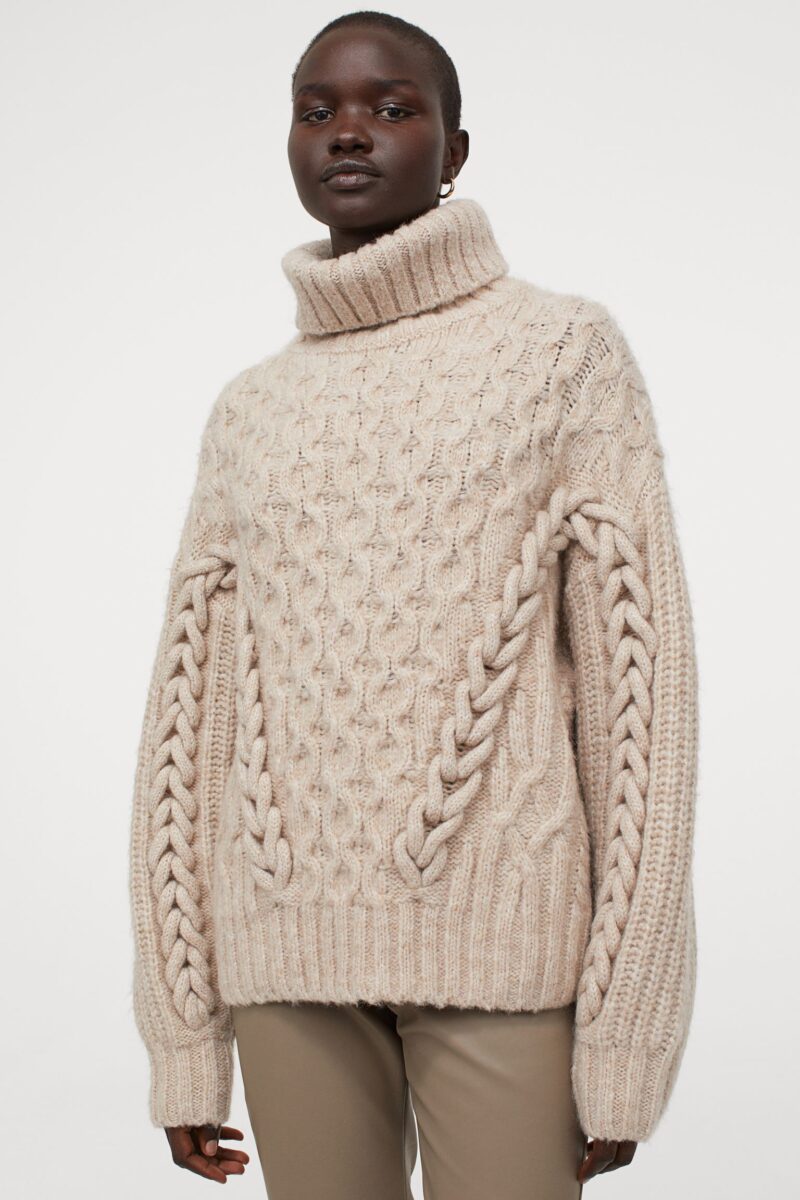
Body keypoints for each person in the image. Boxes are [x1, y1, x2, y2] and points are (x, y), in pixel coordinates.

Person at [128, 10, 699, 1198]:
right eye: (316, 110)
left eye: (392, 108)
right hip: (282, 962)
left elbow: (639, 709)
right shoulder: (250, 410)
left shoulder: (561, 355)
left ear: (454, 150)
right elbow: (187, 723)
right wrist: (183, 1037)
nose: (349, 132)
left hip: (505, 956)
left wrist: (626, 1035)